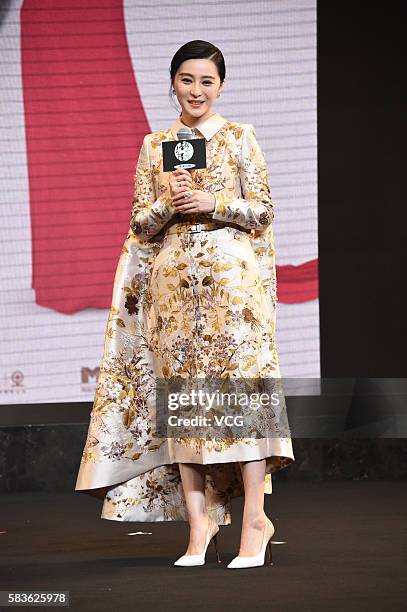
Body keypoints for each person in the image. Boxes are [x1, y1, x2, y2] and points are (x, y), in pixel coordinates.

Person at [75, 40, 295, 569]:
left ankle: (253, 523)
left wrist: (213, 202)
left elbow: (263, 212)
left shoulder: (241, 137)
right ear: (172, 82)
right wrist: (166, 202)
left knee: (238, 402)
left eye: (208, 82)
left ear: (221, 86)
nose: (197, 91)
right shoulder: (156, 146)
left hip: (231, 289)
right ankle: (199, 527)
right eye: (187, 80)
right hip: (174, 290)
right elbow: (138, 226)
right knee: (185, 404)